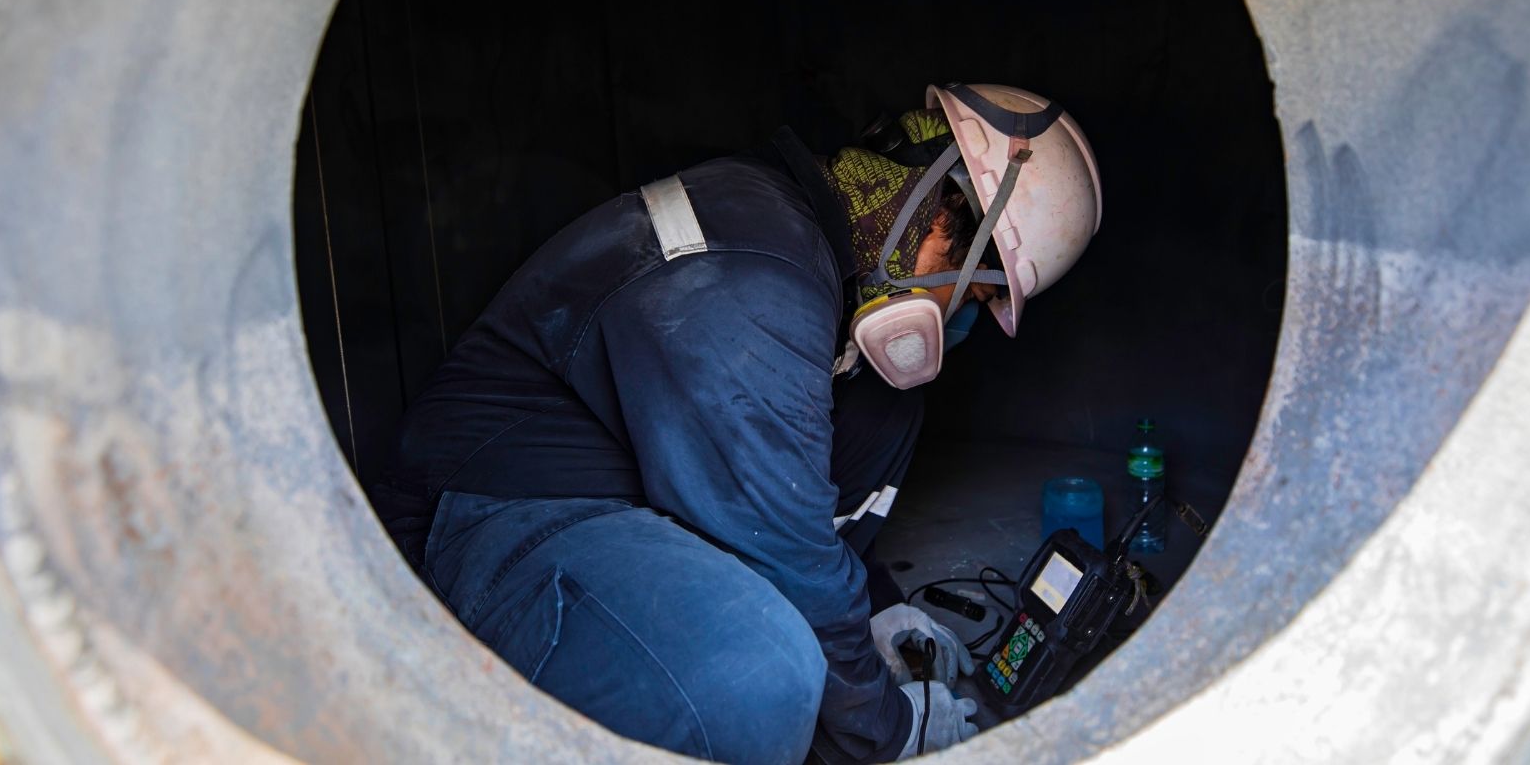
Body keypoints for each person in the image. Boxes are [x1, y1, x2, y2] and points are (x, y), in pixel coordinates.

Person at [369, 83, 1102, 763]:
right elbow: (788, 552)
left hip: (620, 503)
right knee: (757, 671)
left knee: (887, 410)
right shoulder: (751, 284)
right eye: (968, 291)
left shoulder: (798, 240)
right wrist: (888, 729)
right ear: (935, 218)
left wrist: (878, 612)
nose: (957, 317)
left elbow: (799, 508)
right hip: (490, 517)